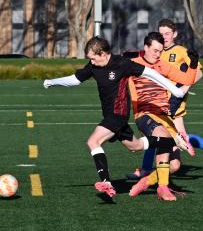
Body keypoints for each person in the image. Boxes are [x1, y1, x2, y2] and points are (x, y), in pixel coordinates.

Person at [42, 36, 192, 198]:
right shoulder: (93, 67)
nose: (91, 62)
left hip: (118, 115)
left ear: (103, 54)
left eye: (93, 58)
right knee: (135, 146)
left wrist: (177, 91)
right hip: (110, 116)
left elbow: (150, 73)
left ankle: (106, 182)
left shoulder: (122, 64)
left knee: (93, 141)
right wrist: (52, 82)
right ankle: (170, 141)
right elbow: (75, 80)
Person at [127, 19, 203, 181]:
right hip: (158, 102)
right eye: (162, 33)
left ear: (175, 34)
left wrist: (182, 90)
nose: (164, 36)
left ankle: (147, 171)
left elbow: (198, 72)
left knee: (168, 136)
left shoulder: (181, 51)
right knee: (169, 136)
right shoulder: (157, 50)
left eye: (167, 33)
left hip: (172, 103)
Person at [128, 32, 200, 201]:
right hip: (145, 114)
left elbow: (187, 79)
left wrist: (194, 64)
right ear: (145, 47)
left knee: (174, 165)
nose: (157, 54)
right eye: (154, 50)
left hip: (164, 116)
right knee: (164, 136)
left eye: (160, 51)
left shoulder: (164, 65)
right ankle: (163, 188)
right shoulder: (133, 65)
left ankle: (147, 181)